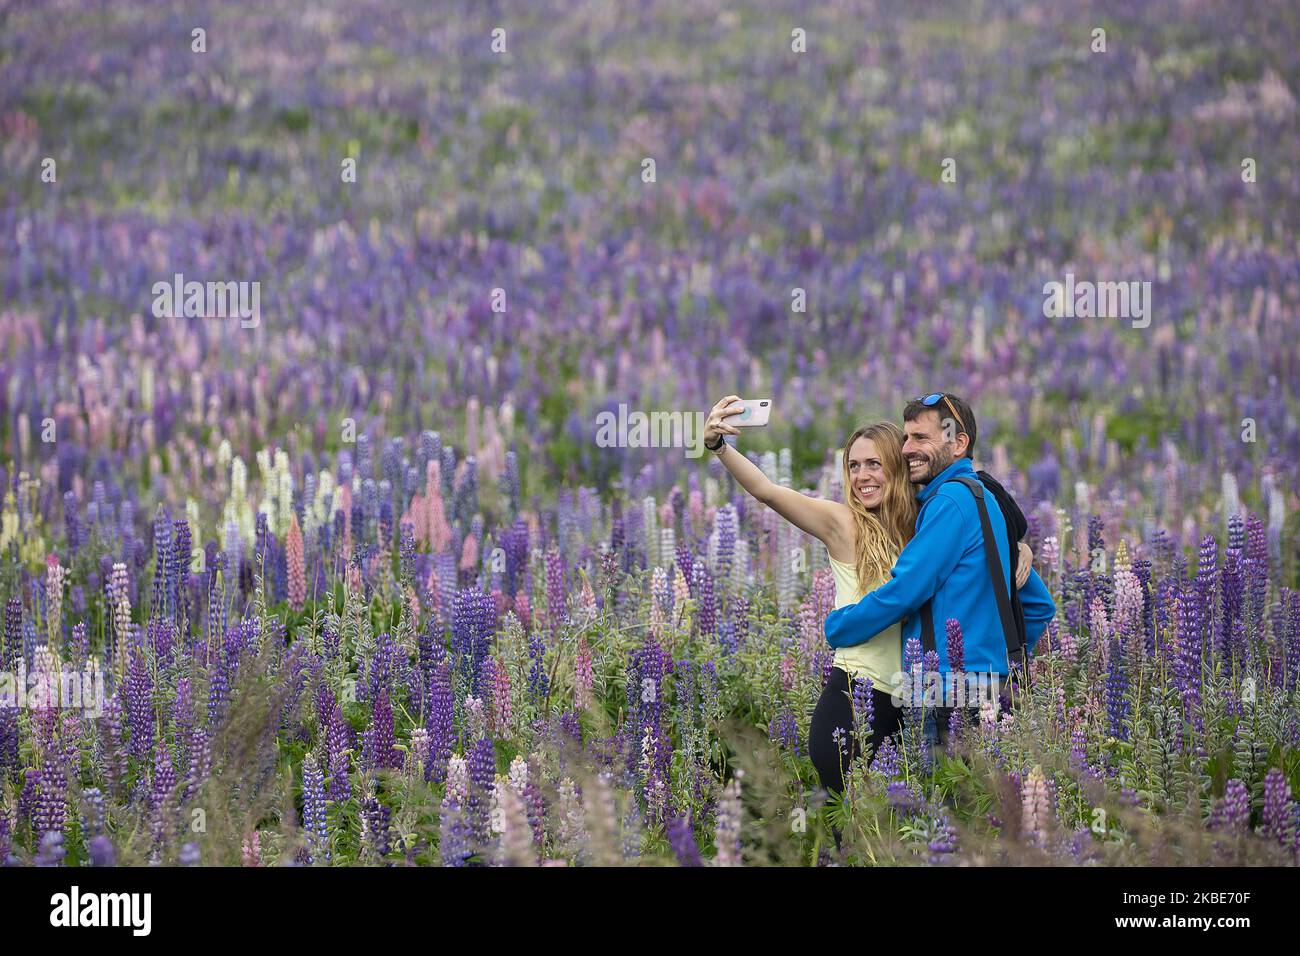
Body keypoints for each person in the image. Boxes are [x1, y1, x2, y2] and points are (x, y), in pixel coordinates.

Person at [701, 396, 1034, 798]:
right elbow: (767, 491)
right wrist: (719, 447)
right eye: (853, 466)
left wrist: (1018, 549)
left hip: (910, 705)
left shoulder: (923, 520)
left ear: (897, 467)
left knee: (894, 838)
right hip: (854, 696)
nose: (862, 476)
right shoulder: (843, 522)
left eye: (874, 464)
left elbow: (975, 557)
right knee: (855, 835)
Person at [824, 393, 1056, 745]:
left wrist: (839, 626)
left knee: (943, 798)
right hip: (995, 696)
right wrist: (993, 660)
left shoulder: (948, 503)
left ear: (958, 443)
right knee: (987, 799)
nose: (906, 449)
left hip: (946, 696)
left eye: (921, 438)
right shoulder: (985, 498)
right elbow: (1039, 605)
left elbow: (904, 592)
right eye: (906, 438)